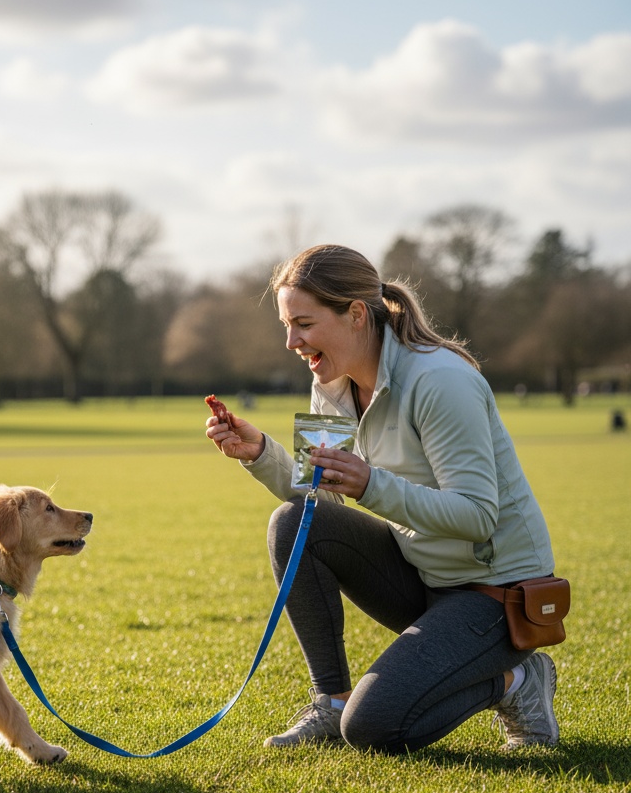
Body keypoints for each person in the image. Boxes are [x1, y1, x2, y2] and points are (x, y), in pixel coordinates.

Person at [205, 244, 560, 753]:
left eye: (302, 323)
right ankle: (329, 701)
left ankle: (519, 680)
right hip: (422, 577)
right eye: (286, 325)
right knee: (291, 521)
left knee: (372, 727)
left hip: (495, 594)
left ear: (354, 315)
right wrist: (259, 452)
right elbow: (319, 497)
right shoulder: (328, 383)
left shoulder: (441, 380)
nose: (290, 341)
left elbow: (479, 517)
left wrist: (371, 483)